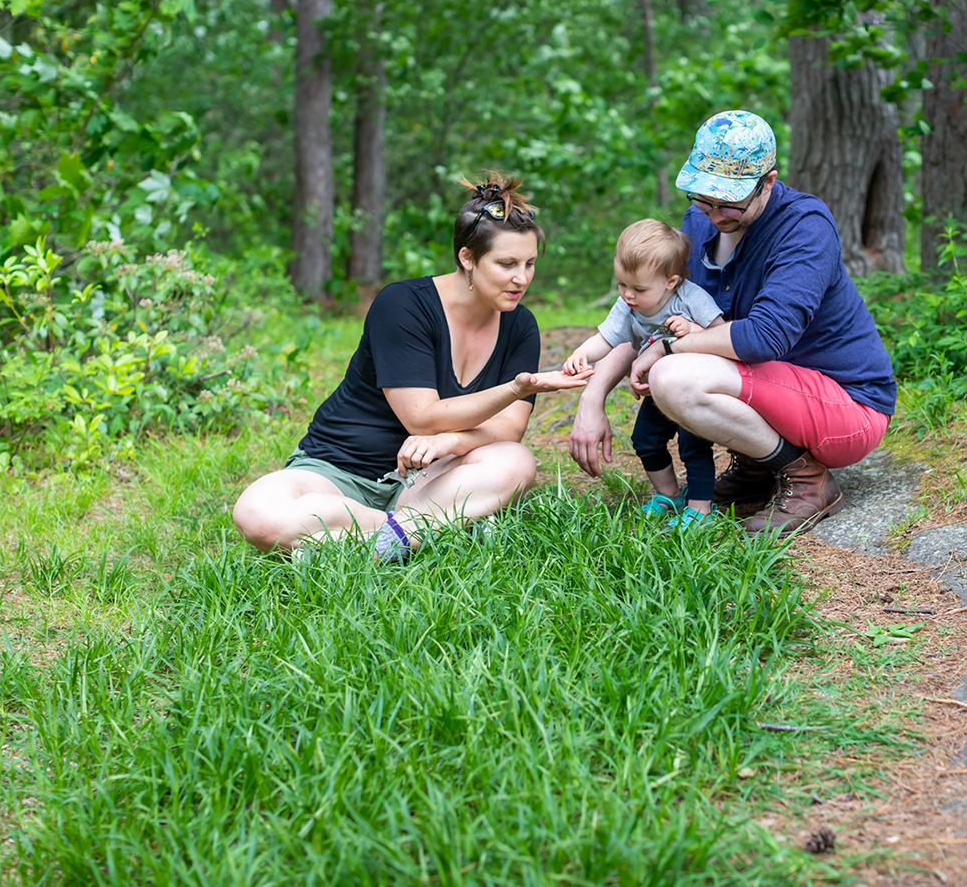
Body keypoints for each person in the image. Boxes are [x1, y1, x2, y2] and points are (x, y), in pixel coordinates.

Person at [569, 111, 896, 536]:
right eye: (703, 198)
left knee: (674, 377)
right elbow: (649, 314)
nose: (715, 214)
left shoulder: (804, 227)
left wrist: (665, 349)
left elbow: (764, 337)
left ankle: (807, 481)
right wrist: (592, 399)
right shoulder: (698, 223)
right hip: (774, 391)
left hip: (846, 407)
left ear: (769, 182)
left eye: (729, 201)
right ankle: (762, 467)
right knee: (673, 367)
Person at [233, 173, 591, 561]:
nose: (521, 278)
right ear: (467, 258)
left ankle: (363, 541)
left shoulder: (521, 326)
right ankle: (430, 529)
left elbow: (509, 429)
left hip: (430, 477)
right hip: (339, 470)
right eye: (506, 264)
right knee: (256, 513)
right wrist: (516, 389)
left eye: (530, 263)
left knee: (514, 463)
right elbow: (422, 419)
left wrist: (452, 442)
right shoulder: (403, 304)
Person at [561, 219, 724, 527]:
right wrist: (581, 353)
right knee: (645, 439)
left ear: (671, 281)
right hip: (657, 392)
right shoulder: (628, 306)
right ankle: (670, 494)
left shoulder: (690, 299)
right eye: (622, 284)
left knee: (694, 444)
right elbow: (606, 338)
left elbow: (721, 336)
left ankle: (701, 509)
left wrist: (691, 329)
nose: (627, 294)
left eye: (638, 288)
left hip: (691, 387)